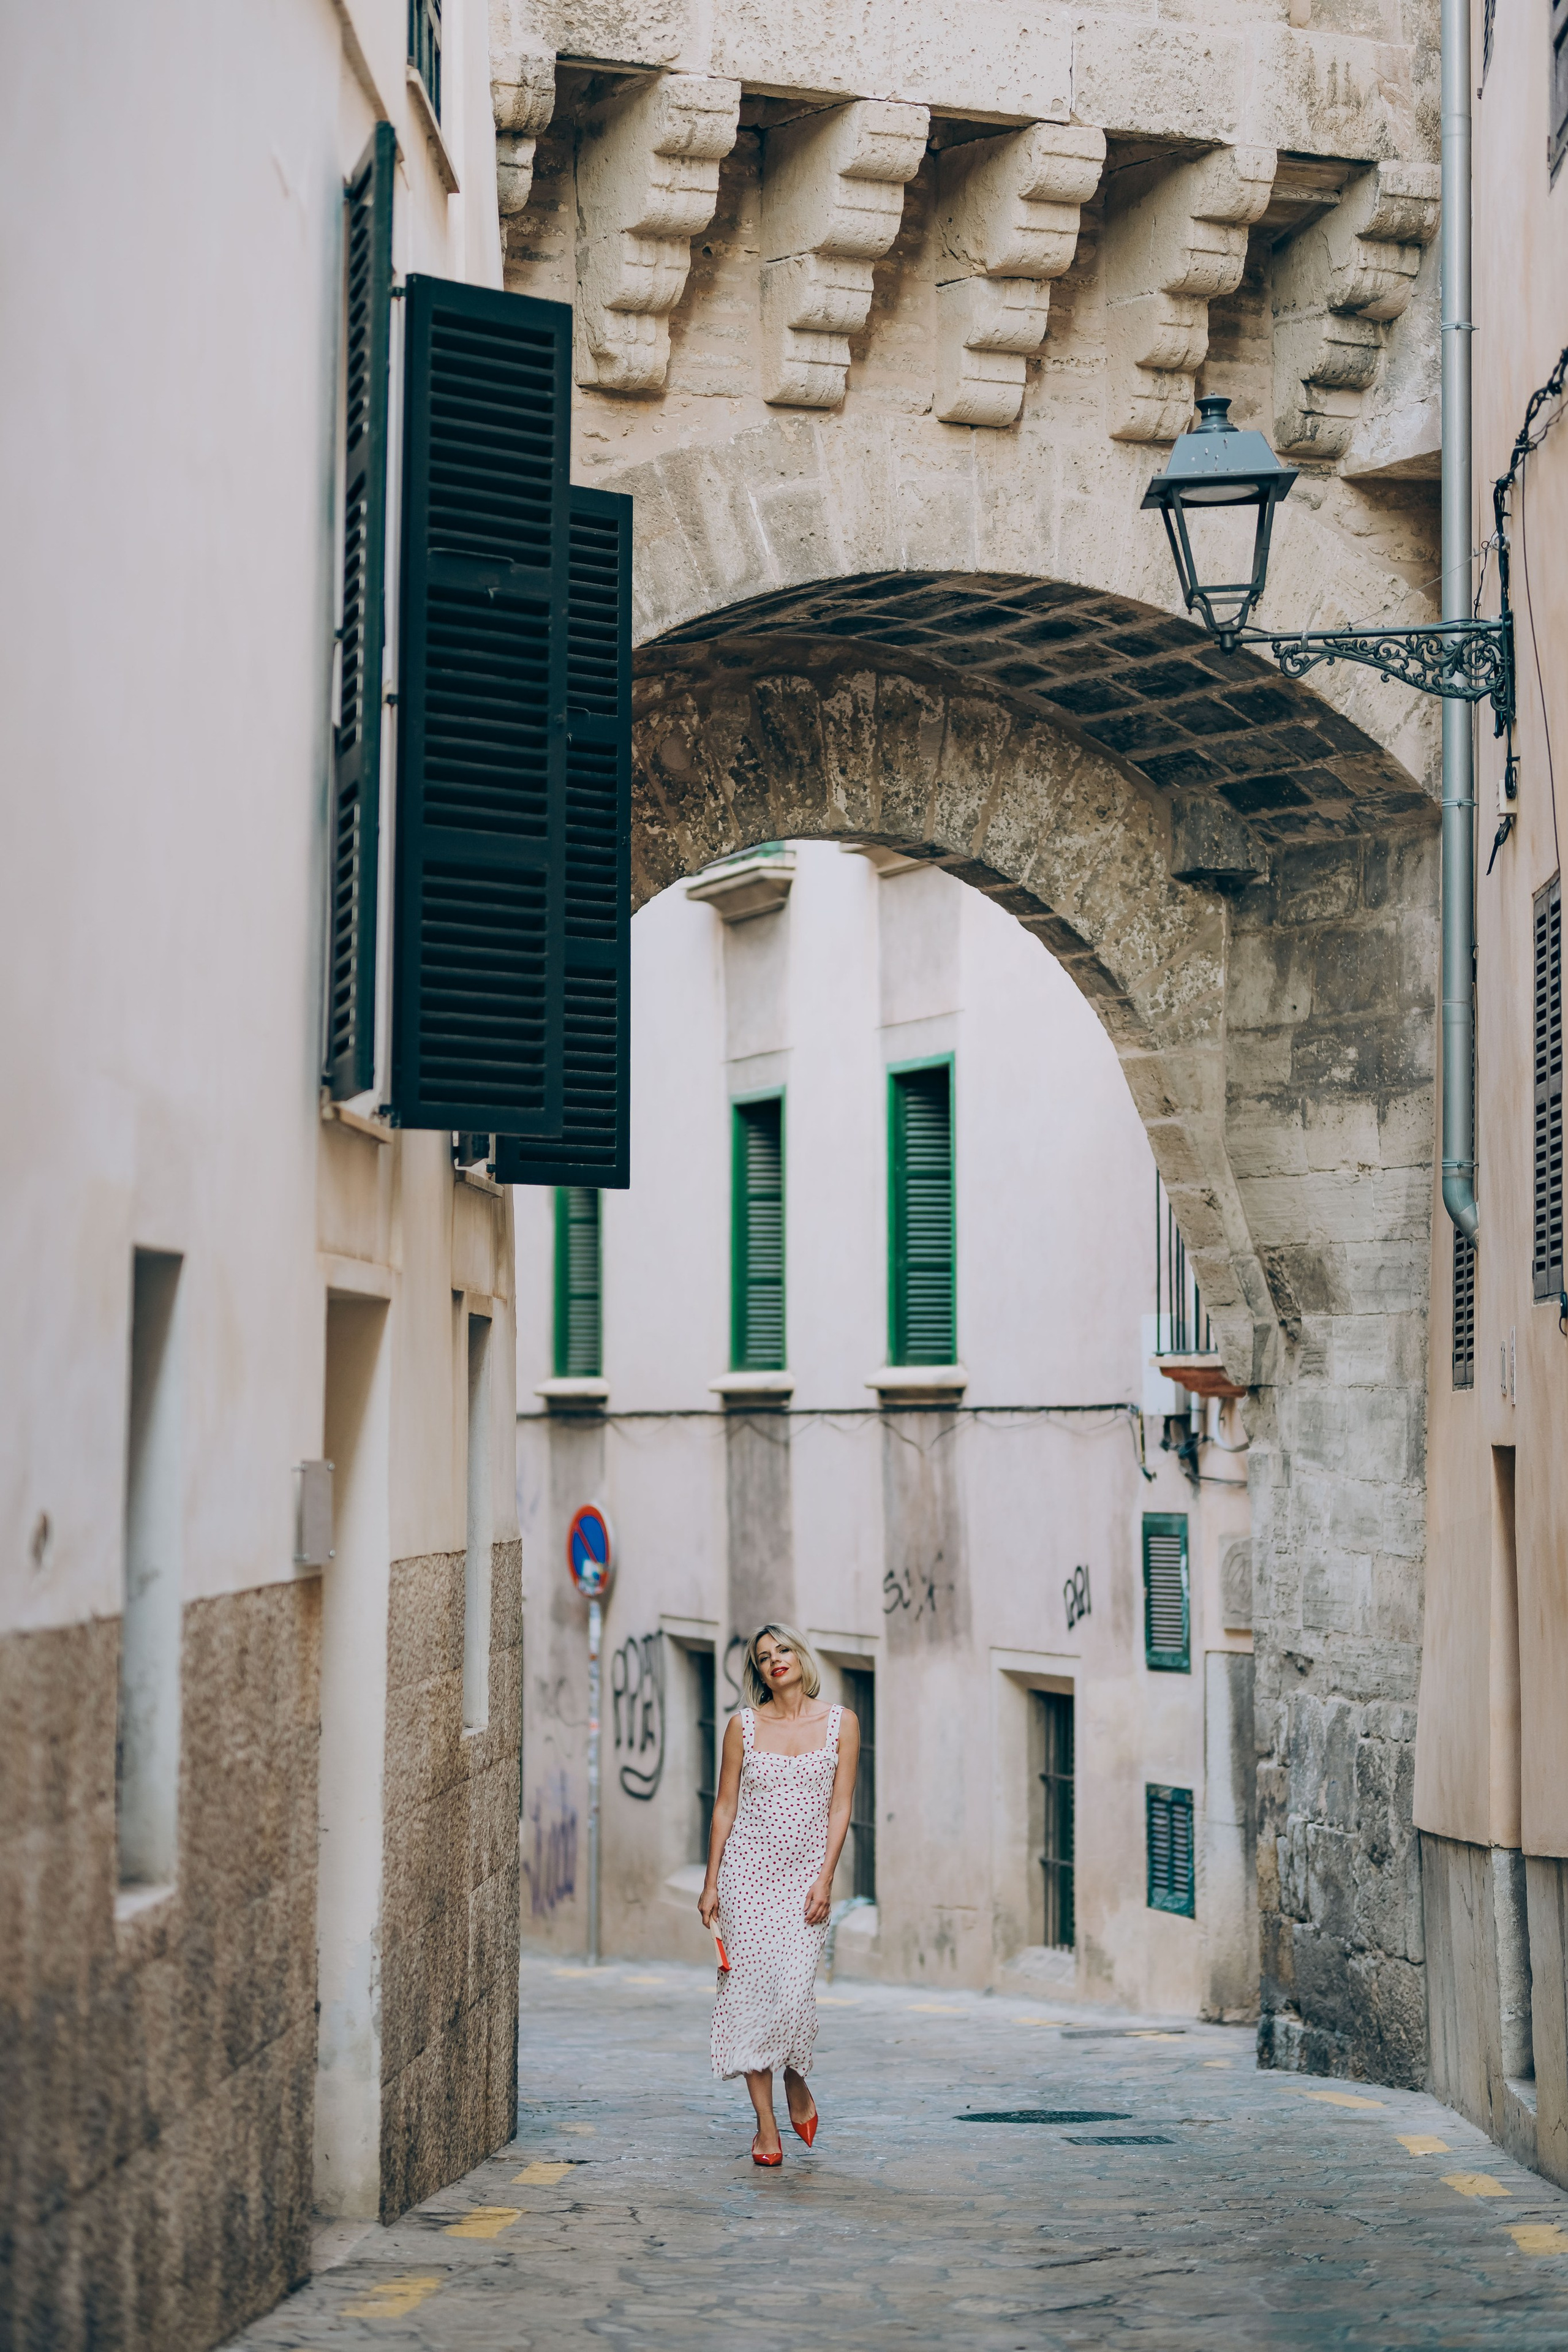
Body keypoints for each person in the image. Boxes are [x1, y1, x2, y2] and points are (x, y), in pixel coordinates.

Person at [698, 1623, 861, 2165]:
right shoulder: (741, 1727)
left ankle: (796, 2075)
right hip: (747, 1879)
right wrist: (711, 1882)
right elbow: (724, 1807)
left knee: (793, 1995)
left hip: (804, 1883)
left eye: (783, 1650)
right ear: (759, 1671)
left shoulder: (842, 1723)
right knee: (749, 2001)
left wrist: (827, 1877)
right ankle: (766, 2128)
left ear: (800, 1656)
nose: (776, 1661)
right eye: (764, 1657)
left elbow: (841, 1808)